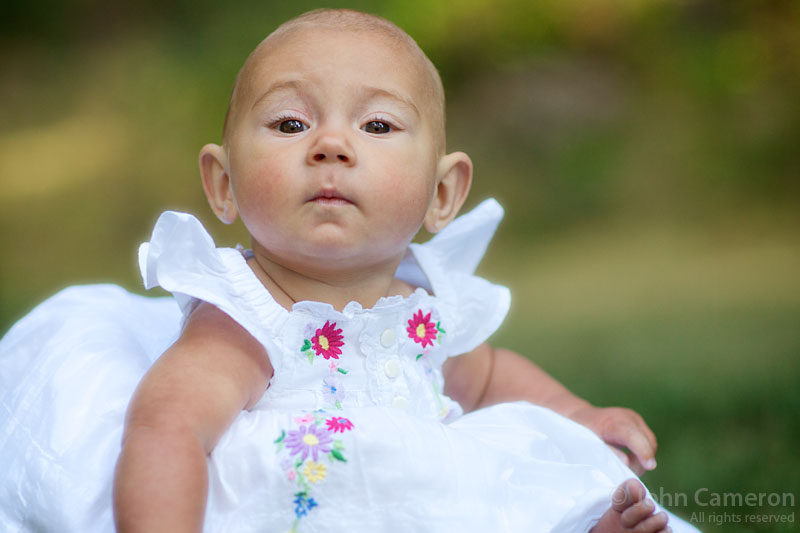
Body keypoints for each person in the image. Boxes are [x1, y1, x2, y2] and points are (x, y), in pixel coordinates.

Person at [0, 8, 698, 533]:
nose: (331, 144)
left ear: (441, 195)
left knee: (502, 481)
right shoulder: (245, 318)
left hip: (421, 502)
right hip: (308, 502)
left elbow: (487, 377)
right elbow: (168, 427)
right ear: (223, 185)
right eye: (289, 124)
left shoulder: (421, 312)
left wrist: (583, 415)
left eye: (377, 127)